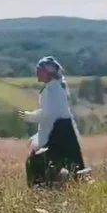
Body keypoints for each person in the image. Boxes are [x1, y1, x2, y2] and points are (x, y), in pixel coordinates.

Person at [20, 56, 86, 188]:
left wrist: (29, 116)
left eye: (40, 70)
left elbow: (49, 114)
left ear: (48, 72)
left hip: (57, 132)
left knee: (38, 162)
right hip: (61, 130)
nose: (37, 72)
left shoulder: (53, 90)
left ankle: (41, 188)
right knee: (70, 164)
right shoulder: (54, 88)